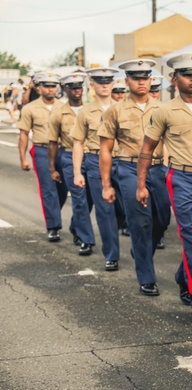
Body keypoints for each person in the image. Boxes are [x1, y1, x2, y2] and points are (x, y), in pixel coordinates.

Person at [138, 52, 192, 324]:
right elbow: (147, 149)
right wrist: (141, 184)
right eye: (187, 74)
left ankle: (184, 275)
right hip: (181, 178)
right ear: (175, 79)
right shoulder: (164, 111)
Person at [100, 59, 170, 296]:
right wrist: (107, 184)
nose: (142, 82)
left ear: (151, 81)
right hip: (129, 169)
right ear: (127, 81)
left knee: (163, 218)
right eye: (136, 78)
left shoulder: (162, 108)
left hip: (158, 168)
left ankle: (142, 250)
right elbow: (106, 150)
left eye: (146, 78)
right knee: (141, 222)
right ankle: (146, 277)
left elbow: (170, 141)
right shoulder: (115, 110)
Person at [71, 67, 121, 271]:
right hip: (95, 161)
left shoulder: (123, 108)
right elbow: (77, 143)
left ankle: (142, 247)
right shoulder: (85, 112)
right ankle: (111, 255)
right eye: (100, 81)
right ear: (92, 85)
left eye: (108, 81)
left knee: (129, 211)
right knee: (104, 210)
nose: (105, 85)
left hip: (124, 161)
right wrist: (76, 173)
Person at [48, 72, 95, 255]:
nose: (77, 91)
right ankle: (86, 240)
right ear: (65, 89)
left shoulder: (92, 110)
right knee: (79, 199)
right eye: (72, 87)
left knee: (90, 198)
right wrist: (52, 168)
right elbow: (52, 143)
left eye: (79, 87)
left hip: (90, 157)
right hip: (68, 157)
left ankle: (76, 226)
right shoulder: (58, 114)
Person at [17, 71, 67, 242]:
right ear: (38, 88)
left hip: (63, 150)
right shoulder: (30, 108)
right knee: (48, 189)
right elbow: (24, 134)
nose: (51, 89)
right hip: (42, 150)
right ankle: (53, 226)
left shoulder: (64, 107)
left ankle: (53, 213)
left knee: (64, 188)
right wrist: (23, 158)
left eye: (53, 86)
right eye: (46, 86)